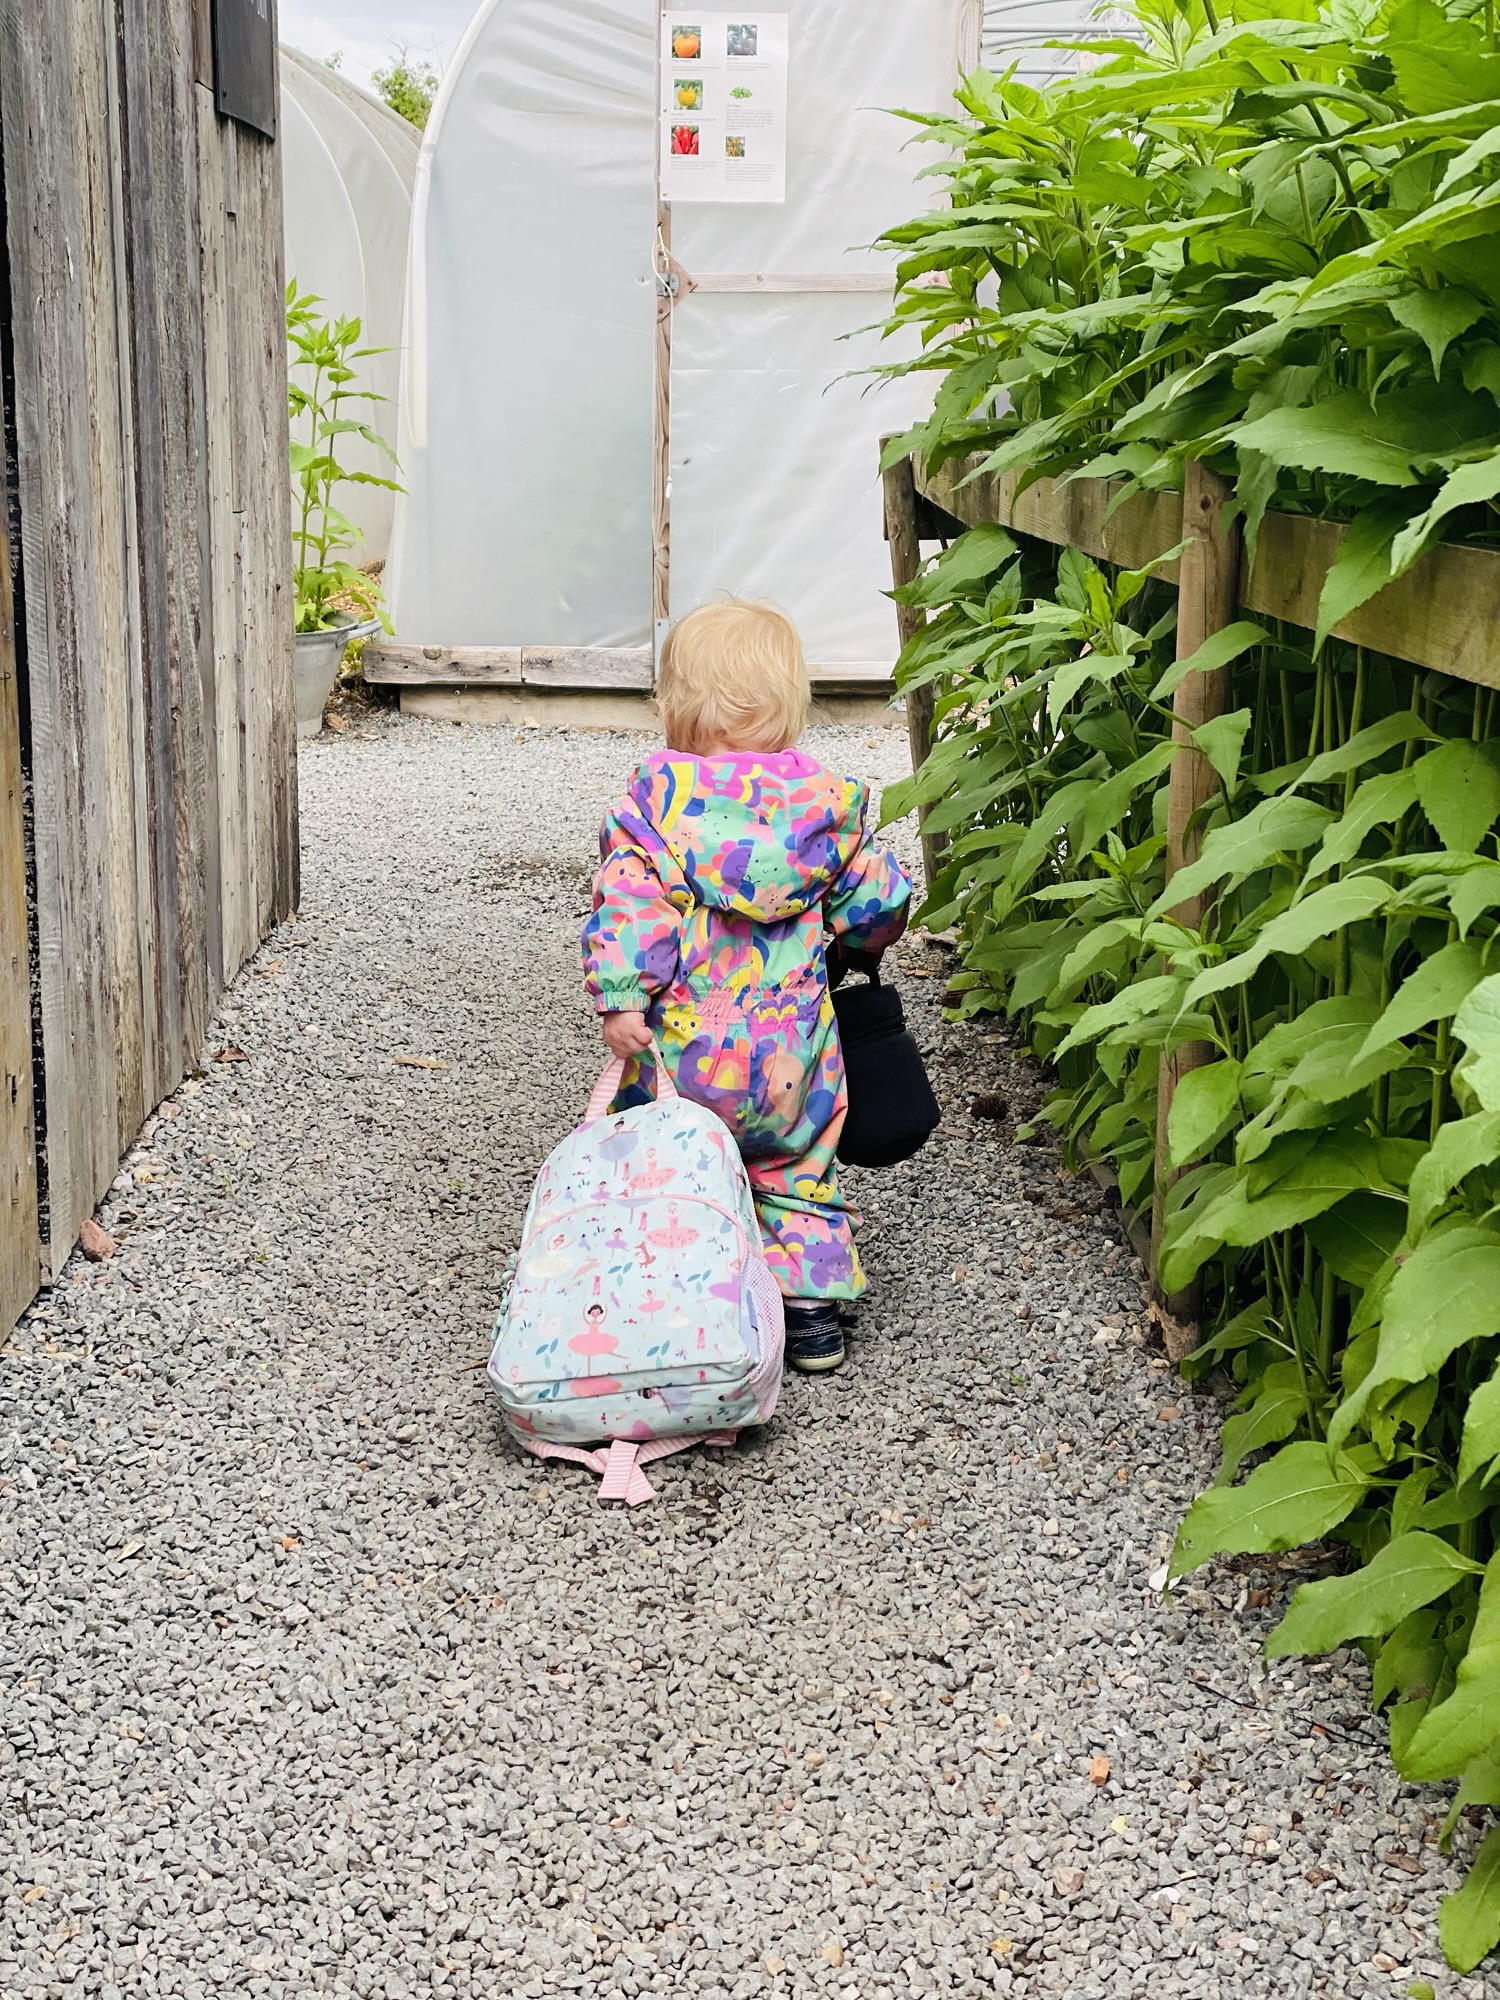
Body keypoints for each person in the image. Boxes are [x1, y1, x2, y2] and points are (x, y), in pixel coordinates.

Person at [580, 598, 911, 1374]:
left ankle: (678, 1295)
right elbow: (877, 905)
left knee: (668, 1165)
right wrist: (857, 936)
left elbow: (630, 902)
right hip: (793, 1054)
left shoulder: (655, 810)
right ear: (790, 704)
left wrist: (624, 997)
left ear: (674, 704)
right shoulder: (826, 808)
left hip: (685, 1050)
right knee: (796, 1169)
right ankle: (810, 1316)